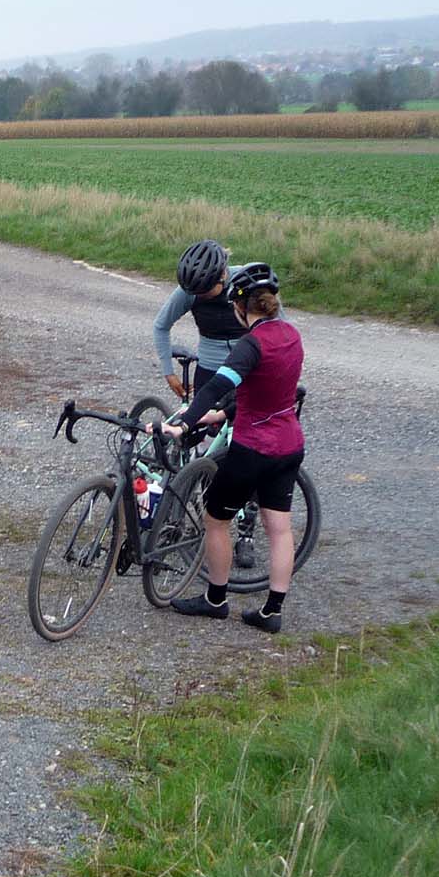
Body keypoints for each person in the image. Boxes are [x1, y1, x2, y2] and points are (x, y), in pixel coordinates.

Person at [163, 262, 304, 634]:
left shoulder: (250, 345)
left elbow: (215, 386)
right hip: (289, 445)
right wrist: (222, 414)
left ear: (241, 307)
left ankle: (215, 600)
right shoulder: (292, 335)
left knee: (216, 520)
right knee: (279, 529)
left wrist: (186, 421)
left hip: (252, 448)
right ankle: (272, 611)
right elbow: (268, 390)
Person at [150, 239, 253, 400]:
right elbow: (161, 326)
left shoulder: (246, 281)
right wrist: (169, 372)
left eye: (205, 292)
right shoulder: (189, 290)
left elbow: (278, 327)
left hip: (248, 365)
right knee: (202, 415)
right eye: (196, 293)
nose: (200, 295)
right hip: (210, 368)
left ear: (222, 274)